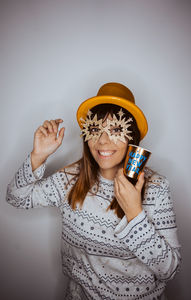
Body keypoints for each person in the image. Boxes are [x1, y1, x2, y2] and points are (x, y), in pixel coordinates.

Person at [6, 82, 181, 300]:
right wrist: (38, 156)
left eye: (116, 130)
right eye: (95, 129)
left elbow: (169, 270)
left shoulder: (156, 188)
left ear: (131, 138)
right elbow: (16, 198)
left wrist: (135, 213)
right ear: (86, 134)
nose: (103, 140)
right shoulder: (69, 180)